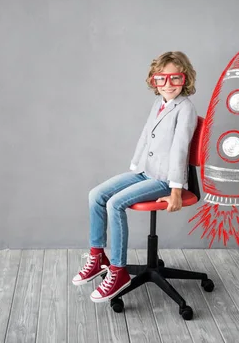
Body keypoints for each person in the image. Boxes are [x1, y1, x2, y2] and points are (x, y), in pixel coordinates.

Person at [72, 51, 198, 303]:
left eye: (175, 78)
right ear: (154, 81)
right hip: (144, 171)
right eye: (161, 79)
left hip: (164, 179)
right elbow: (145, 136)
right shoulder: (158, 103)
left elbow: (180, 149)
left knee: (114, 203)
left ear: (185, 79)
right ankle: (98, 257)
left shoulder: (185, 109)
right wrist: (134, 168)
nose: (168, 85)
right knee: (96, 194)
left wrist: (175, 190)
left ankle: (118, 271)